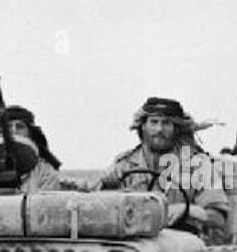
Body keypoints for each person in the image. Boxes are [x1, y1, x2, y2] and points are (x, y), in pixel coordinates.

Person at [94, 96, 229, 237]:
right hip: (134, 245)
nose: (159, 129)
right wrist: (108, 187)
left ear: (176, 129)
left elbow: (218, 218)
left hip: (181, 245)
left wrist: (186, 210)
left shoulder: (197, 165)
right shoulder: (124, 164)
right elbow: (99, 212)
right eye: (154, 122)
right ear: (143, 126)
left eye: (166, 123)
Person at [0, 105, 64, 193]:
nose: (13, 131)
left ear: (30, 133)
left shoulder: (46, 172)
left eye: (20, 126)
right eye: (8, 127)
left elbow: (45, 203)